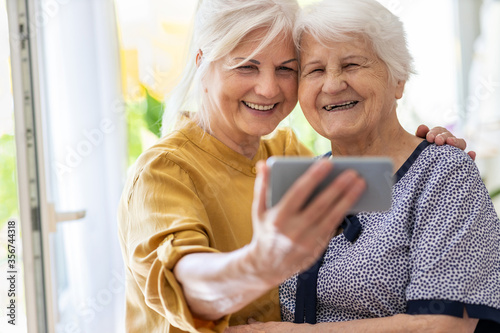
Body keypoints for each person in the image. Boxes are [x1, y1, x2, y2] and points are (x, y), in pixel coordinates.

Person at [117, 1, 473, 332]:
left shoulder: (285, 154)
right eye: (247, 66)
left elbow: (393, 188)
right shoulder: (162, 172)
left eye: (286, 69)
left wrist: (432, 155)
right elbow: (189, 285)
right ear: (202, 62)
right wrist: (257, 264)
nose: (268, 88)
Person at [227, 0, 500, 332]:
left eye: (352, 64)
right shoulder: (302, 180)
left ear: (398, 79)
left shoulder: (443, 174)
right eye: (314, 70)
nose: (332, 84)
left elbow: (447, 325)